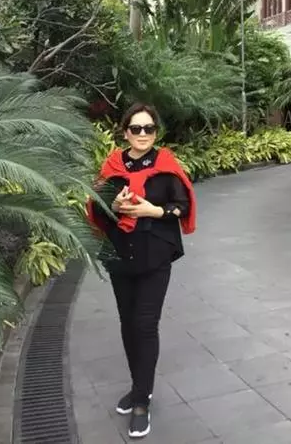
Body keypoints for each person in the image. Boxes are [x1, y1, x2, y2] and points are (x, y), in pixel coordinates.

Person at [86, 103, 196, 439]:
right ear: (126, 132)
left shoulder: (166, 165)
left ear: (156, 132)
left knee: (145, 325)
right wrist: (113, 205)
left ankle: (141, 403)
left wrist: (154, 210)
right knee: (127, 323)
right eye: (136, 128)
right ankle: (138, 387)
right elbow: (98, 208)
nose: (143, 134)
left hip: (155, 256)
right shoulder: (113, 166)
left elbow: (182, 205)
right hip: (120, 254)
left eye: (149, 128)